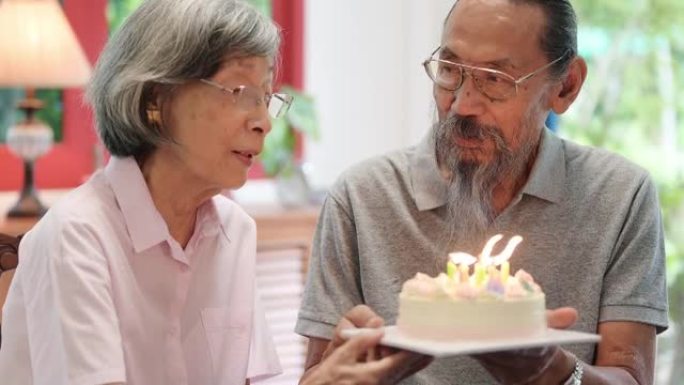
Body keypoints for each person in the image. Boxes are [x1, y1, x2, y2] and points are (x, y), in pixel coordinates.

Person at [0, 1, 430, 384]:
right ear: (156, 100)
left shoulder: (233, 230)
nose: (264, 121)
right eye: (241, 93)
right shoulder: (75, 236)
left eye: (267, 97)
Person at [296, 0, 669, 384]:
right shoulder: (361, 197)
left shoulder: (620, 195)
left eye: (495, 79)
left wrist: (553, 371)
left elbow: (631, 378)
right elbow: (316, 376)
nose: (461, 104)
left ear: (566, 86)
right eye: (449, 70)